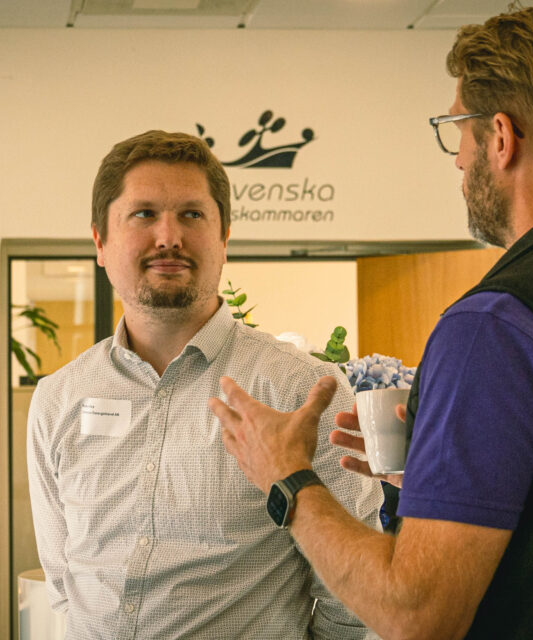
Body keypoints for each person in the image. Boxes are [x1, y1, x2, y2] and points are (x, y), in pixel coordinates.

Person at [210, 6, 533, 640]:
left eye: (456, 129)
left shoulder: (495, 323)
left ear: (500, 137)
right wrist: (443, 484)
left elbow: (417, 614)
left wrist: (290, 478)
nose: (458, 160)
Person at [26, 130, 383, 639]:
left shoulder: (301, 391)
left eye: (192, 214)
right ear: (100, 242)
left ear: (224, 238)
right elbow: (65, 581)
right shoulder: (58, 398)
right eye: (144, 214)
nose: (168, 236)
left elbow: (352, 594)